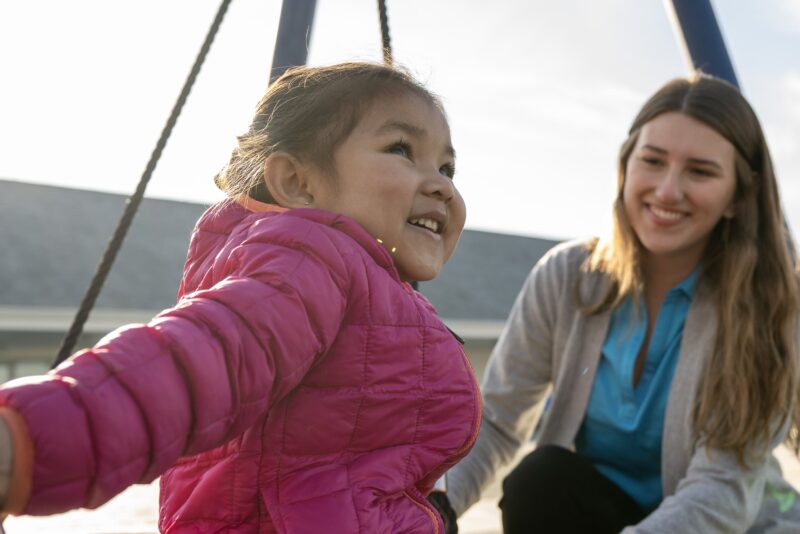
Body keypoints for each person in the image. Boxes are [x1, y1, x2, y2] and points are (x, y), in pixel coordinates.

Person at [0, 62, 480, 533]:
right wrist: (21, 443)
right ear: (297, 182)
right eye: (401, 148)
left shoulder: (368, 287)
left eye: (447, 166)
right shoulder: (310, 263)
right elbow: (200, 365)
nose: (441, 185)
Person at [441, 73, 800, 533]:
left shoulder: (764, 306)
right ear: (626, 167)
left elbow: (721, 490)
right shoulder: (566, 276)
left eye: (701, 171)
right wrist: (436, 510)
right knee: (540, 479)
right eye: (652, 161)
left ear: (738, 196)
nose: (668, 190)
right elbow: (497, 423)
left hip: (727, 524)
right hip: (601, 511)